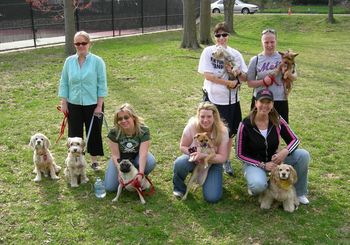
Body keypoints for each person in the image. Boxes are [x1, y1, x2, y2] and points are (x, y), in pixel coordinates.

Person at [236, 89, 310, 204]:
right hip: (255, 163)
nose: (265, 106)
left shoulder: (277, 119)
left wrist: (284, 151)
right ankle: (259, 184)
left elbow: (294, 139)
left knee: (303, 155)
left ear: (272, 104)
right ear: (256, 103)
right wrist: (262, 165)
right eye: (262, 102)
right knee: (258, 185)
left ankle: (299, 193)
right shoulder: (245, 124)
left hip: (277, 160)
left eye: (268, 102)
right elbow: (239, 153)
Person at [198, 22, 248, 176]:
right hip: (213, 99)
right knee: (209, 129)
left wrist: (237, 74)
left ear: (228, 36)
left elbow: (245, 77)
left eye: (224, 35)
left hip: (231, 100)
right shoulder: (208, 52)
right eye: (218, 35)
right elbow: (207, 75)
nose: (221, 38)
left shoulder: (236, 54)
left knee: (229, 131)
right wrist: (227, 82)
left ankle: (225, 158)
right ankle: (207, 156)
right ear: (214, 37)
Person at [58, 31, 108, 171]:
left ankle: (94, 161)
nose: (80, 46)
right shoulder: (69, 61)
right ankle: (75, 161)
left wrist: (99, 105)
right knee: (74, 133)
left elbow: (102, 84)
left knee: (94, 133)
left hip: (93, 104)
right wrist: (64, 102)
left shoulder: (97, 61)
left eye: (83, 43)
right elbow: (64, 82)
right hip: (73, 104)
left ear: (89, 44)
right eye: (77, 43)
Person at [173, 102, 229, 203]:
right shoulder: (192, 126)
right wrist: (194, 153)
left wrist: (204, 156)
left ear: (214, 116)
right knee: (180, 163)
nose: (205, 120)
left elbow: (223, 157)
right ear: (198, 116)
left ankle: (214, 181)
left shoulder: (223, 131)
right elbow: (183, 146)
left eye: (209, 116)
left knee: (212, 197)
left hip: (213, 162)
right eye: (202, 116)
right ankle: (179, 188)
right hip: (194, 158)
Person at [246, 28, 297, 123]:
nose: (269, 45)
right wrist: (263, 81)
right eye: (266, 42)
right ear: (262, 42)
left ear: (276, 41)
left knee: (279, 130)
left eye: (272, 42)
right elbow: (250, 83)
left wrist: (288, 73)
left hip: (279, 99)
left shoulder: (285, 57)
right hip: (260, 101)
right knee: (257, 128)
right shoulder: (255, 60)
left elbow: (294, 77)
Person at [104, 103, 156, 192]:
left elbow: (143, 154)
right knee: (110, 188)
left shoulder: (143, 130)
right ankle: (126, 176)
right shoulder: (114, 132)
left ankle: (139, 177)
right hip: (121, 160)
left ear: (133, 117)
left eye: (126, 117)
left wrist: (140, 173)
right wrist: (119, 171)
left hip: (136, 157)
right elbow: (115, 155)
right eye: (120, 119)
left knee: (150, 161)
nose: (123, 121)